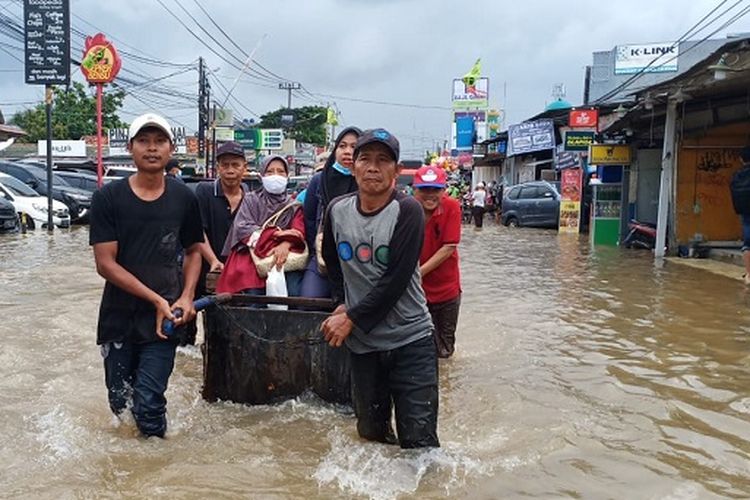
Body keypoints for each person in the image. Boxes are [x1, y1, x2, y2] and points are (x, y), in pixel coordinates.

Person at [321, 128, 439, 449]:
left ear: (396, 171)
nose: (373, 167)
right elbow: (332, 265)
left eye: (383, 160)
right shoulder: (336, 211)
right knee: (371, 439)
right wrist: (342, 302)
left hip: (411, 341)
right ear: (353, 166)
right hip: (364, 346)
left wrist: (351, 317)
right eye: (365, 159)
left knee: (419, 444)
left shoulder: (408, 210)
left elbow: (395, 280)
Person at [89, 113, 204, 438]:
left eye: (159, 142)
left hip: (165, 318)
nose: (151, 149)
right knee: (120, 404)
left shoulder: (184, 197)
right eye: (144, 141)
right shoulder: (108, 198)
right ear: (130, 147)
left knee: (149, 403)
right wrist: (154, 298)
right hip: (118, 317)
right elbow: (105, 264)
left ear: (171, 149)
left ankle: (155, 471)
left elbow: (195, 249)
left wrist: (186, 296)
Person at [216, 155, 306, 296]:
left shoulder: (293, 205)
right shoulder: (251, 200)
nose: (275, 176)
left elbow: (298, 230)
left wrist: (286, 244)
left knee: (293, 291)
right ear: (262, 176)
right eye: (269, 172)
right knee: (253, 292)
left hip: (285, 258)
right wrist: (275, 236)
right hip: (252, 256)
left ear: (288, 176)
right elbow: (243, 228)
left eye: (280, 171)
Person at [300, 127, 362, 298]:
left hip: (358, 259)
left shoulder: (367, 183)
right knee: (308, 300)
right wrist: (319, 246)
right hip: (322, 257)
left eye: (354, 147)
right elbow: (310, 219)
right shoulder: (319, 181)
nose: (348, 152)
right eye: (342, 146)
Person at [412, 166, 462, 358]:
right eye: (424, 190)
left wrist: (417, 273)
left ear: (444, 190)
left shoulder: (452, 207)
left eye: (435, 190)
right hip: (417, 292)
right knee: (420, 345)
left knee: (444, 350)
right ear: (415, 190)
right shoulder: (407, 209)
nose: (430, 195)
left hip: (446, 290)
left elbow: (449, 247)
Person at [730, 146, 750, 285]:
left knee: (747, 244)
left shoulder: (737, 176)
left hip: (745, 212)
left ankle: (749, 274)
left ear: (741, 160)